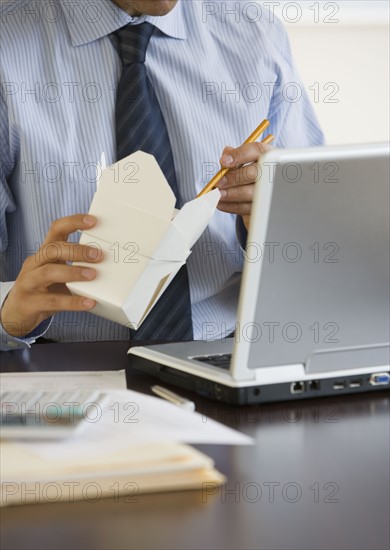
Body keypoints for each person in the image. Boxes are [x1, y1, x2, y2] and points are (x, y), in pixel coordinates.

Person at [0, 0, 324, 351]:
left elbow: (317, 247)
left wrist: (272, 223)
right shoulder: (8, 42)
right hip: (56, 364)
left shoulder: (256, 33)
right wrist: (10, 314)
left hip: (230, 354)